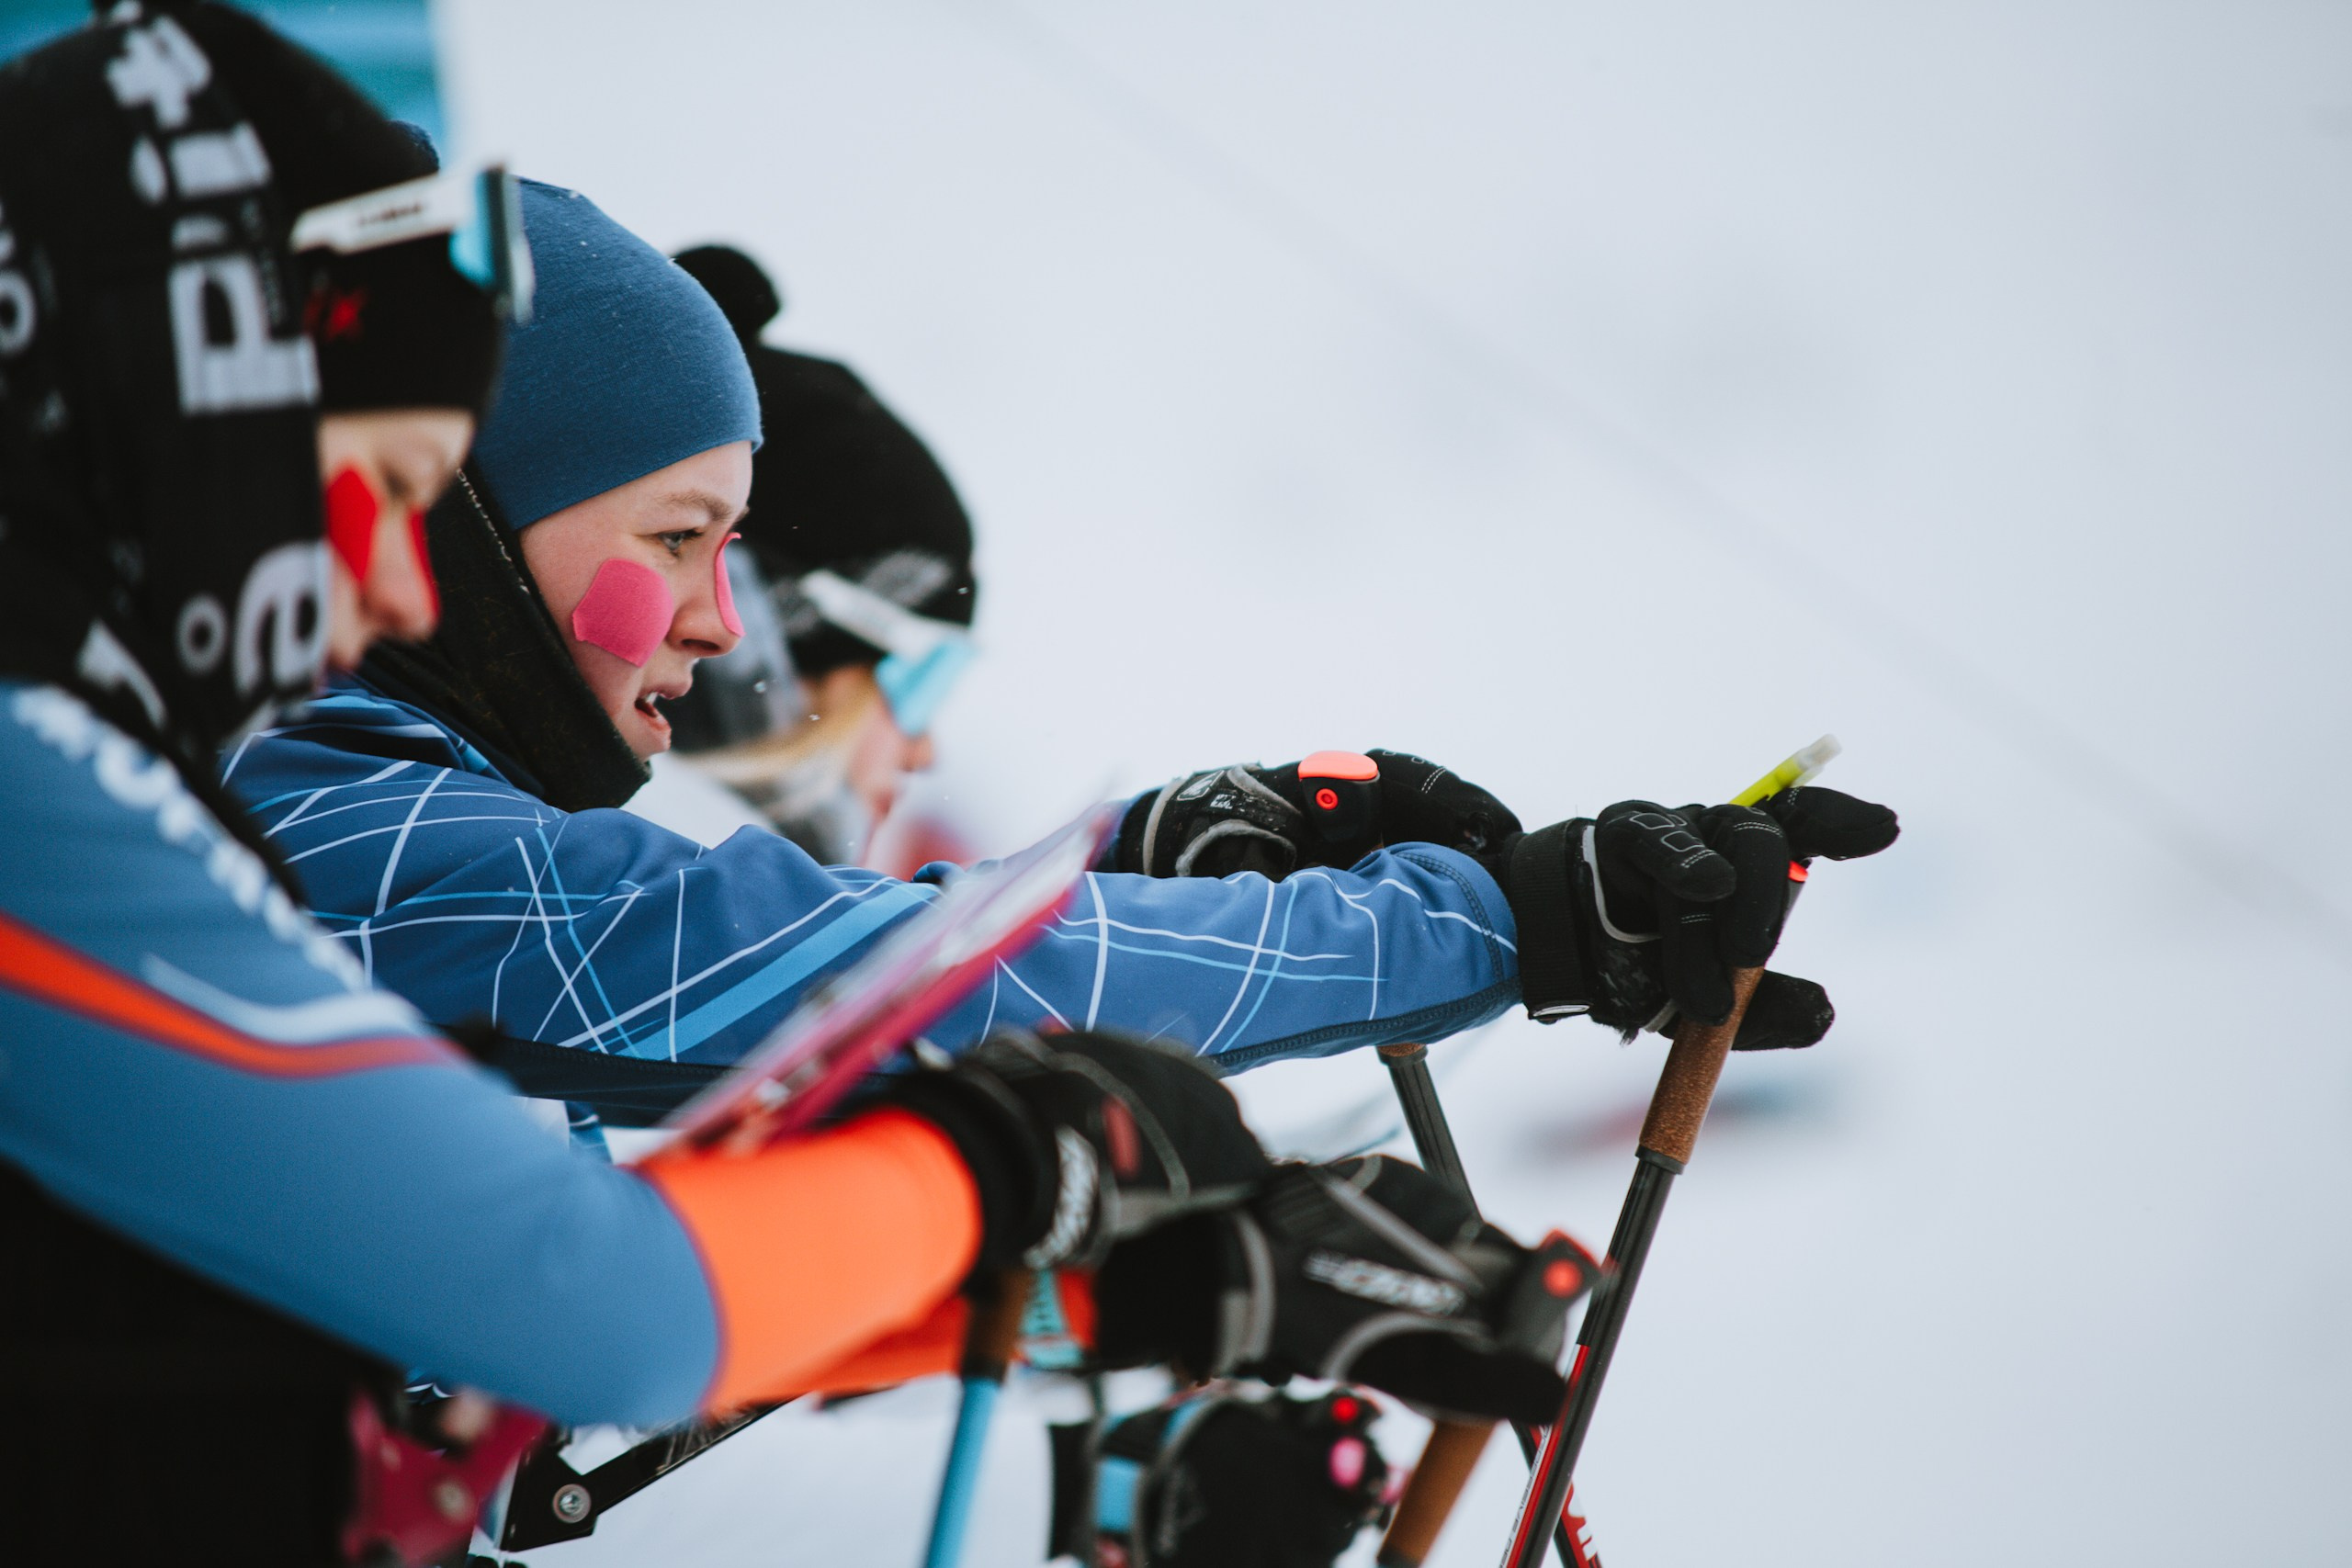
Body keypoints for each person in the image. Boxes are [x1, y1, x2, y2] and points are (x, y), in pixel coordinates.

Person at [0, 7, 1575, 1564]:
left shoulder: (146, 780)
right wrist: (1032, 1167)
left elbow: (451, 1411)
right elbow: (607, 1293)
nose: (394, 583)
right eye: (375, 484)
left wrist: (1100, 1280)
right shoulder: (181, 803)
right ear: (184, 412)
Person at [664, 242, 971, 864]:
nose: (925, 753)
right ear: (778, 626)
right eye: (926, 678)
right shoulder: (674, 849)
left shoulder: (698, 849)